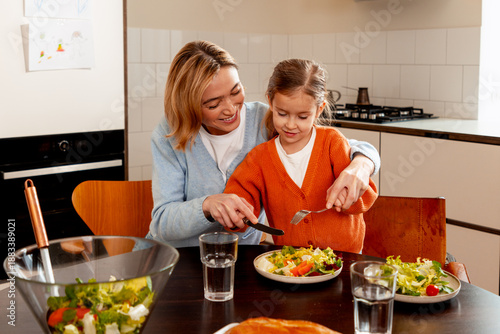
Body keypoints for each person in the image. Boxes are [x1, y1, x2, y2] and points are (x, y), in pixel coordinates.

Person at [146, 41, 380, 248]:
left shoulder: (268, 119)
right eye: (213, 103)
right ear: (189, 105)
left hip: (238, 261)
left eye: (235, 92)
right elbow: (162, 223)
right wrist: (208, 205)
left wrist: (361, 165)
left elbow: (330, 143)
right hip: (177, 260)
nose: (230, 108)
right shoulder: (170, 134)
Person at [223, 59, 378, 253]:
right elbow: (239, 204)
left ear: (319, 109)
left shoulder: (332, 142)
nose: (290, 124)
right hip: (292, 266)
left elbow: (364, 196)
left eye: (302, 117)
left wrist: (350, 197)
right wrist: (236, 215)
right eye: (282, 114)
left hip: (343, 261)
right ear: (270, 102)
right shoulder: (259, 159)